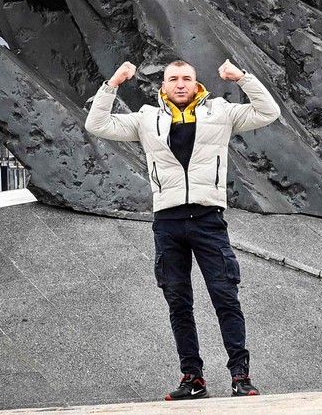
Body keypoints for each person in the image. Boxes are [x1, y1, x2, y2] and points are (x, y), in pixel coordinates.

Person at [86, 57, 281, 400]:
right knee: (179, 303)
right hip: (168, 222)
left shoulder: (220, 112)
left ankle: (240, 375)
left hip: (208, 220)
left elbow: (268, 112)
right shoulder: (146, 119)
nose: (179, 84)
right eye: (173, 79)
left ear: (196, 84)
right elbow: (97, 123)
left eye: (186, 78)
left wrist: (242, 78)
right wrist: (113, 83)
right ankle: (193, 378)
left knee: (225, 298)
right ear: (162, 85)